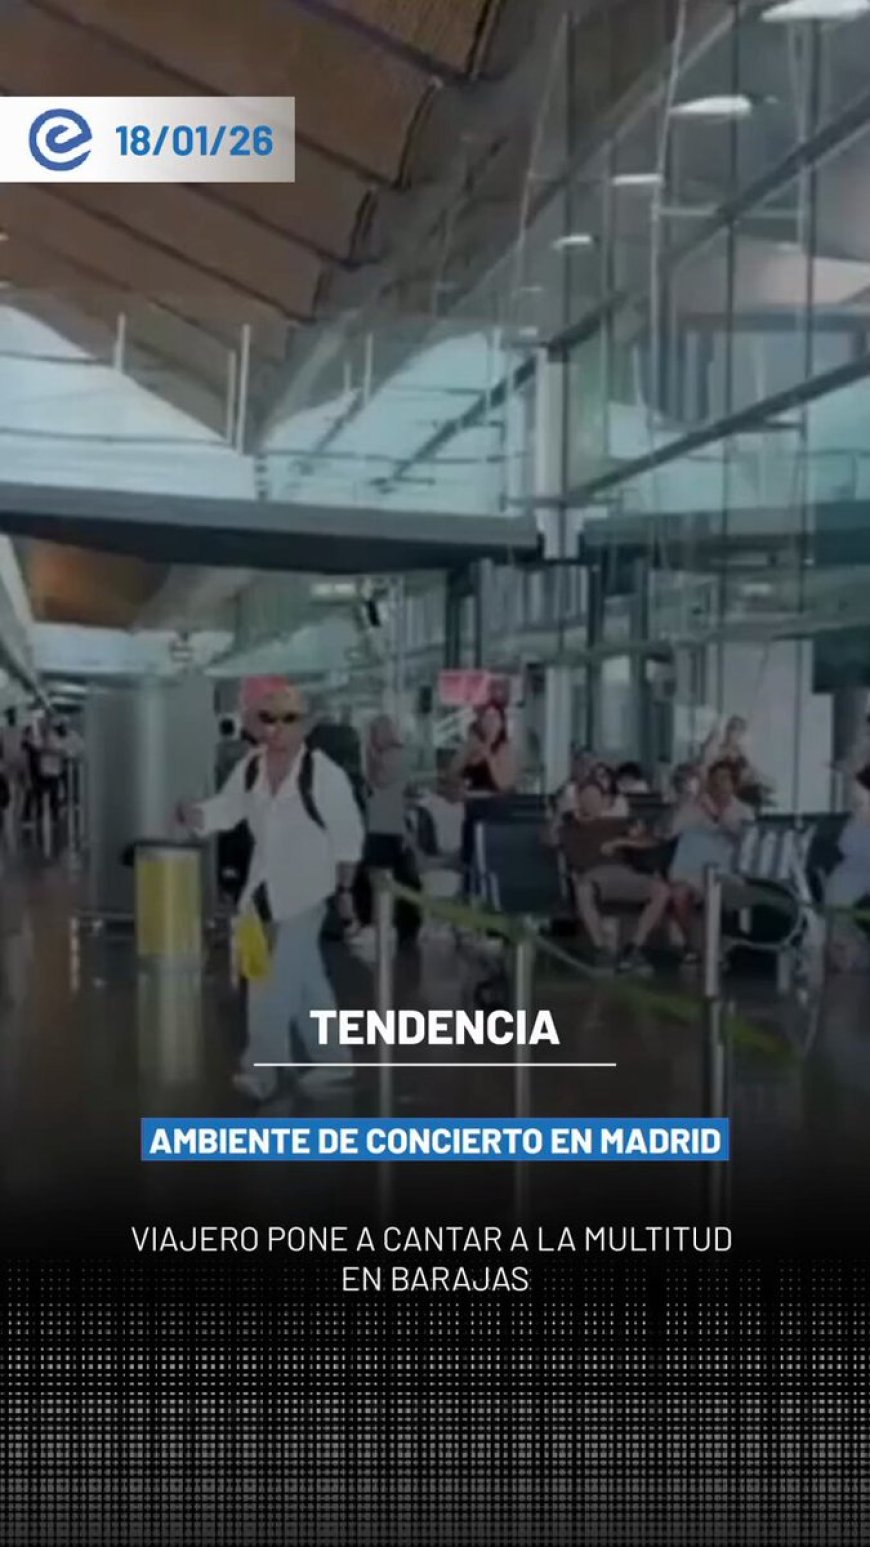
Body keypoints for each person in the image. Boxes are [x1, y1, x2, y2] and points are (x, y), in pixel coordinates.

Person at [179, 679, 364, 1103]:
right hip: (262, 892)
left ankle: (261, 1071)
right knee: (304, 981)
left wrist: (344, 890)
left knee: (269, 981)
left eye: (289, 718)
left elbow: (348, 835)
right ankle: (334, 1059)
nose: (277, 727)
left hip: (305, 893)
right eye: (268, 717)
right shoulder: (251, 768)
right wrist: (197, 815)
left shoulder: (325, 775)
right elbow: (227, 810)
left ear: (307, 724)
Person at [665, 759, 754, 959]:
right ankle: (691, 945)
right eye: (714, 779)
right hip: (689, 872)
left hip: (726, 873)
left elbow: (744, 839)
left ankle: (726, 946)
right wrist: (687, 804)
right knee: (678, 893)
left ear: (734, 784)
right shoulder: (693, 806)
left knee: (729, 894)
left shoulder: (743, 811)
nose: (718, 784)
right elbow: (669, 831)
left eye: (724, 779)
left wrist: (716, 816)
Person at [354, 715, 420, 947]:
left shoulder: (394, 755)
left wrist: (370, 753)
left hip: (386, 825)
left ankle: (381, 924)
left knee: (380, 877)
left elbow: (379, 780)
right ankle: (379, 923)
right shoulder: (388, 756)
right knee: (376, 876)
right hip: (380, 823)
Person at [451, 702, 517, 795]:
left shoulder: (505, 748)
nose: (490, 721)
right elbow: (452, 773)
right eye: (486, 716)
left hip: (496, 803)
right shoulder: (471, 744)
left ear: (501, 723)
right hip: (470, 800)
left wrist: (489, 748)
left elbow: (503, 784)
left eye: (494, 717)